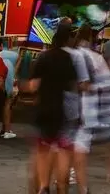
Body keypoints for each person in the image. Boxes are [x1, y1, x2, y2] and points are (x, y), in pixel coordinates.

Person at [27, 20, 84, 194]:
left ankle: (44, 186)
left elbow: (33, 86)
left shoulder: (44, 57)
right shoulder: (70, 59)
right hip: (64, 110)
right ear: (69, 39)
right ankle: (61, 185)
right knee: (63, 150)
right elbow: (76, 86)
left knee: (43, 149)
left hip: (44, 109)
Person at [70, 24, 110, 191]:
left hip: (67, 107)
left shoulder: (68, 56)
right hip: (89, 109)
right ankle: (109, 173)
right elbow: (106, 86)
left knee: (69, 141)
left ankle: (71, 173)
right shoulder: (95, 58)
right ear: (91, 38)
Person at [0, 39, 20, 140]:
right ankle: (6, 130)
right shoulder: (13, 54)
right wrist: (15, 71)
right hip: (9, 80)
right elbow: (19, 58)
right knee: (7, 105)